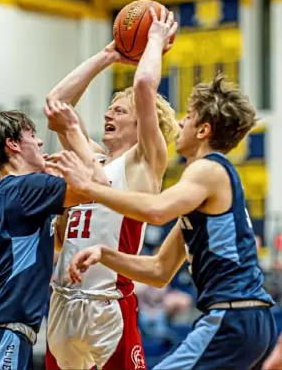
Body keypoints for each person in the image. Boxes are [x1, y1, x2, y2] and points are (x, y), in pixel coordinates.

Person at [48, 73, 277, 370]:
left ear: (203, 129)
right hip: (66, 298)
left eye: (190, 117)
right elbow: (159, 271)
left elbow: (156, 211)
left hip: (224, 313)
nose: (181, 123)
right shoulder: (198, 195)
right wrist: (104, 254)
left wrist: (151, 39)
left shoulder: (203, 170)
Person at [44, 7, 178, 370]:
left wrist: (153, 40)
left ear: (144, 124)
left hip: (107, 306)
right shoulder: (91, 161)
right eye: (109, 109)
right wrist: (107, 55)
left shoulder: (144, 162)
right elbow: (57, 105)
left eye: (119, 111)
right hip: (62, 302)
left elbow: (144, 86)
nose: (108, 115)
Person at [0, 110, 103, 370]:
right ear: (13, 144)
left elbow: (57, 242)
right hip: (3, 329)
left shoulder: (11, 191)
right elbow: (97, 186)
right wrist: (73, 133)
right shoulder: (25, 188)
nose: (40, 143)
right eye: (33, 135)